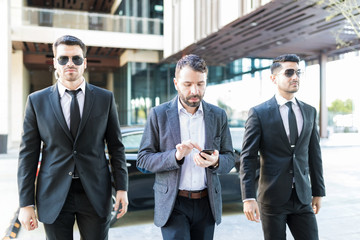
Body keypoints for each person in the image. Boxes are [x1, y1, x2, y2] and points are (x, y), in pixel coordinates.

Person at [17, 35, 129, 240]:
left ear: (84, 63)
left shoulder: (105, 99)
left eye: (76, 58)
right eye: (63, 59)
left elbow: (116, 147)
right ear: (55, 63)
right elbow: (28, 155)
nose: (70, 63)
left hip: (95, 193)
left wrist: (122, 188)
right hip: (53, 194)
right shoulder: (36, 101)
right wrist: (26, 203)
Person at [137, 54, 235, 240]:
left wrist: (215, 162)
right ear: (176, 83)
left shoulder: (218, 115)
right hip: (173, 204)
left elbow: (230, 157)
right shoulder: (158, 114)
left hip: (207, 204)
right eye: (187, 84)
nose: (194, 90)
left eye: (200, 84)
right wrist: (175, 156)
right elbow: (144, 159)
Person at [240, 54, 326, 240]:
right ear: (274, 78)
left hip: (302, 197)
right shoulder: (259, 113)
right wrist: (248, 197)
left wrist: (318, 191)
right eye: (289, 73)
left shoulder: (309, 111)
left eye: (297, 72)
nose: (295, 77)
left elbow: (314, 154)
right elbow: (248, 157)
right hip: (272, 199)